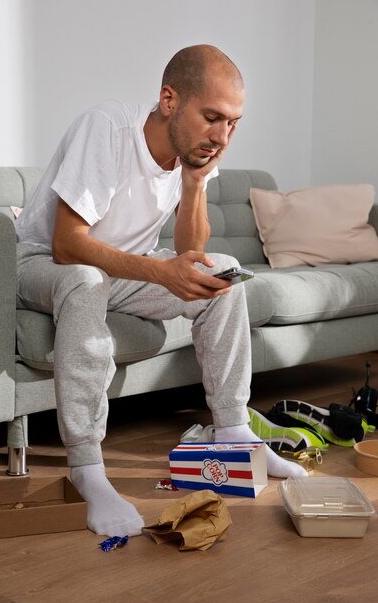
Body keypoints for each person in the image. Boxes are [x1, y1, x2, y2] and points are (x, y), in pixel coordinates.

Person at [15, 44, 307, 538]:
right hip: (44, 262)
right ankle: (87, 469)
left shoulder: (196, 152)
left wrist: (194, 184)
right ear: (169, 100)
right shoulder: (108, 128)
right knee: (85, 280)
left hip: (117, 273)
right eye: (212, 116)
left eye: (233, 122)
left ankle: (233, 429)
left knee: (226, 272)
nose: (222, 135)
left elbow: (192, 253)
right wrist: (161, 273)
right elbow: (68, 246)